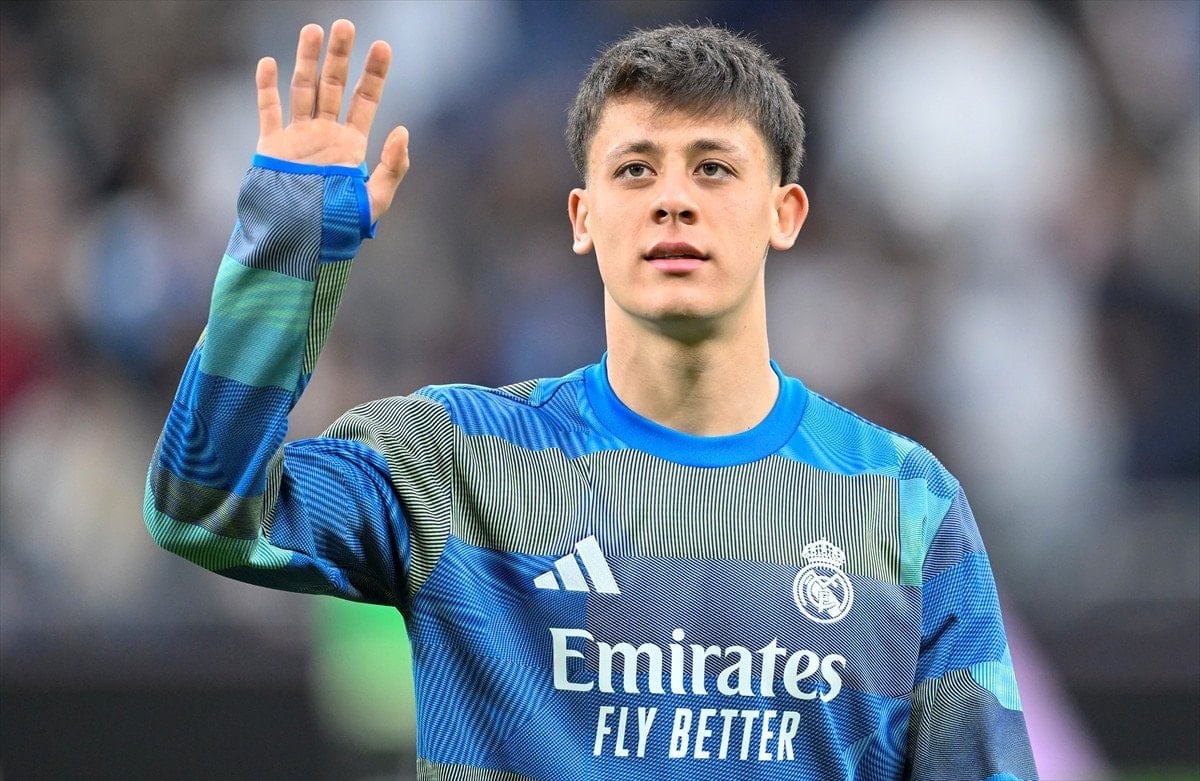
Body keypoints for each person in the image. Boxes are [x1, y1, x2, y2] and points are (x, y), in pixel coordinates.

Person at [144, 19, 1039, 780]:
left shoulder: (906, 504)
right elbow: (204, 508)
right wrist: (287, 250)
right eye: (636, 170)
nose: (673, 201)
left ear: (785, 212)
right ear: (582, 216)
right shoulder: (456, 461)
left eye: (714, 168)